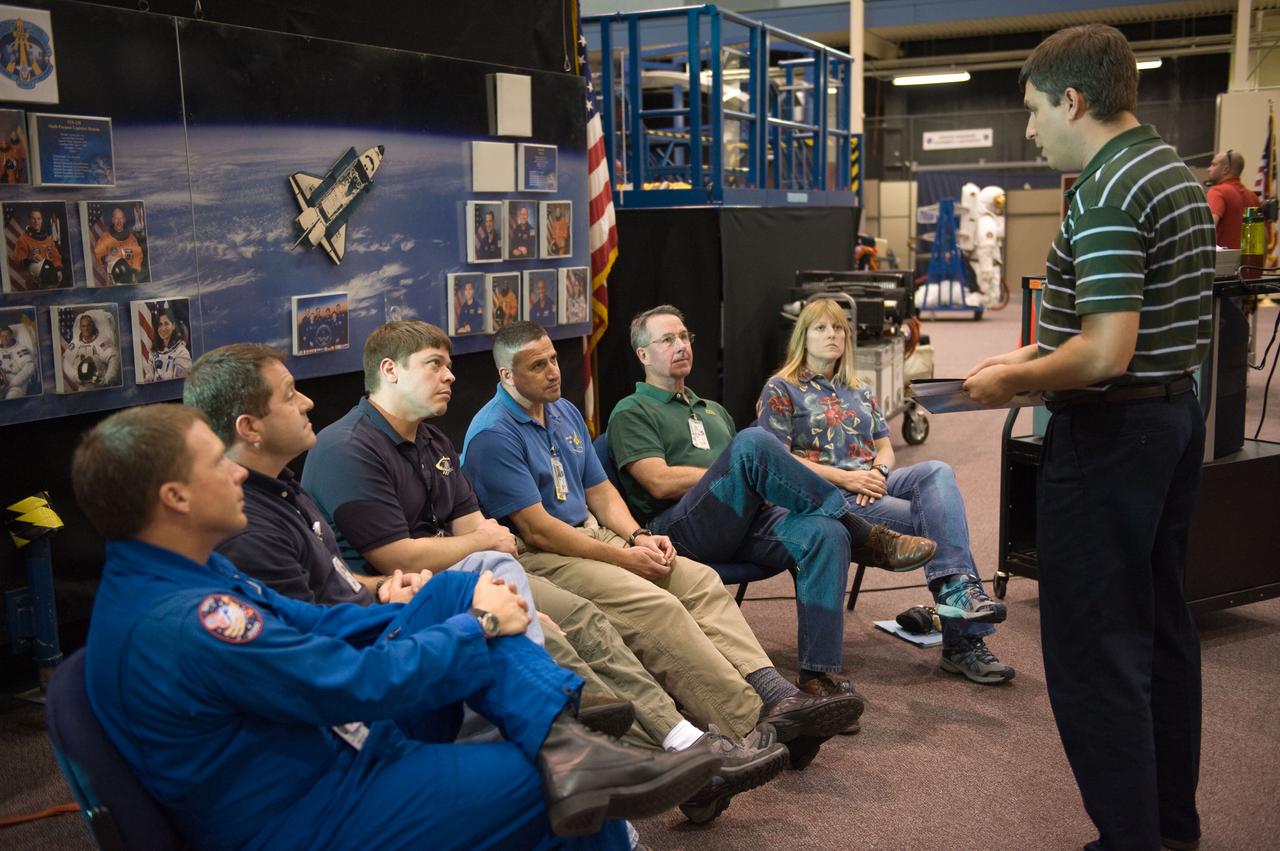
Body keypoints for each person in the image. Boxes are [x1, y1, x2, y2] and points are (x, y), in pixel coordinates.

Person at [73, 403, 719, 848]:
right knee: (553, 788)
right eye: (218, 463)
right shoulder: (189, 620)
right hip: (311, 809)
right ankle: (568, 753)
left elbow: (313, 619)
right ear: (176, 498)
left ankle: (565, 741)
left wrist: (423, 610)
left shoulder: (188, 570)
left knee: (457, 587)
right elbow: (347, 684)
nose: (238, 470)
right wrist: (475, 626)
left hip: (326, 757)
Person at [299, 323, 786, 820]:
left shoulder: (431, 439)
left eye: (449, 364)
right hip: (400, 600)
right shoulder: (350, 446)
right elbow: (400, 557)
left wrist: (618, 541)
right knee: (585, 624)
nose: (450, 376)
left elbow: (483, 531)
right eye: (435, 365)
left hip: (476, 570)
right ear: (389, 370)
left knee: (598, 613)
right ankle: (673, 756)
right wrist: (487, 549)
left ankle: (710, 735)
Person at [963, 24, 1213, 851]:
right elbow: (1118, 321)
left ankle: (1129, 839)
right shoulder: (1170, 169)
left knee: (1094, 650)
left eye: (1034, 110)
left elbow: (1106, 352)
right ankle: (1168, 828)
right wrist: (1025, 355)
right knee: (1158, 629)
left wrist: (1018, 381)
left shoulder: (1106, 188)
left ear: (1072, 100)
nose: (1031, 129)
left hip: (1111, 435)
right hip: (1169, 419)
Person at [462, 321, 866, 772]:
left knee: (700, 581)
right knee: (657, 606)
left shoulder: (563, 411)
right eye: (538, 366)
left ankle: (778, 694)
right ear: (506, 375)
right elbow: (538, 531)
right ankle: (752, 722)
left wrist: (638, 536)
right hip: (545, 556)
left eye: (554, 359)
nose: (554, 371)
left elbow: (600, 492)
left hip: (594, 533)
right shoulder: (493, 434)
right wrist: (624, 556)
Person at [606, 305, 936, 701]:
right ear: (643, 354)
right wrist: (732, 471)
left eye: (684, 337)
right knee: (754, 442)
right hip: (677, 532)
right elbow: (657, 482)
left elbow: (748, 475)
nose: (681, 346)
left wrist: (744, 476)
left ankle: (817, 675)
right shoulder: (632, 410)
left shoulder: (713, 411)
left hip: (741, 521)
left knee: (824, 532)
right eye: (667, 340)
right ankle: (864, 533)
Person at [757, 299, 1013, 684]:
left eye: (838, 328)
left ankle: (958, 589)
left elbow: (884, 447)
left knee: (936, 471)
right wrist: (848, 479)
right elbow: (776, 460)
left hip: (871, 481)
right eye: (820, 328)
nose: (832, 335)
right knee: (935, 520)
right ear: (802, 338)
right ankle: (962, 643)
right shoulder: (781, 388)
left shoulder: (859, 389)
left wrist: (878, 471)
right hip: (829, 496)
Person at [1203, 148, 1259, 248]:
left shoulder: (1217, 192)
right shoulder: (1253, 197)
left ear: (1225, 170)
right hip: (1247, 258)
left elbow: (1208, 229)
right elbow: (1263, 237)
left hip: (1222, 258)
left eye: (1213, 165)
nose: (1208, 169)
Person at [63, 312, 120, 390]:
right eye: (83, 326)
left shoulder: (103, 340)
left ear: (93, 326)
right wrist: (76, 376)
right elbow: (66, 363)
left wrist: (107, 379)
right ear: (80, 328)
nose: (86, 328)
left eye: (89, 325)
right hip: (83, 388)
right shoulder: (75, 343)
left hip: (101, 386)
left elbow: (114, 358)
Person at [92, 206, 146, 284]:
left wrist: (134, 273)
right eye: (116, 218)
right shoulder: (105, 238)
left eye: (121, 218)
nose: (119, 221)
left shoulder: (131, 239)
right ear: (112, 220)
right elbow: (98, 254)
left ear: (124, 219)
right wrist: (105, 258)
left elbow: (138, 256)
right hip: (113, 278)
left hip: (130, 277)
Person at [12, 207, 63, 289]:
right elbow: (17, 262)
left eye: (38, 219)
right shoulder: (23, 240)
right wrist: (30, 260)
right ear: (29, 220)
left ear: (41, 220)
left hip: (51, 282)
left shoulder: (48, 239)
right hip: (34, 283)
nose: (36, 221)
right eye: (33, 219)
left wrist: (58, 269)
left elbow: (56, 257)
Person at [147, 307, 191, 382]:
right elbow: (148, 377)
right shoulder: (153, 353)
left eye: (166, 324)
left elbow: (180, 382)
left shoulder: (181, 352)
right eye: (160, 324)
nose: (163, 329)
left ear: (173, 326)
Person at [0, 323, 35, 399]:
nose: (4, 338)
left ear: (11, 336)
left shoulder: (20, 349)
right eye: (2, 336)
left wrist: (13, 383)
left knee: (11, 401)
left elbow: (29, 367)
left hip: (16, 385)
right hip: (1, 383)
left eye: (7, 336)